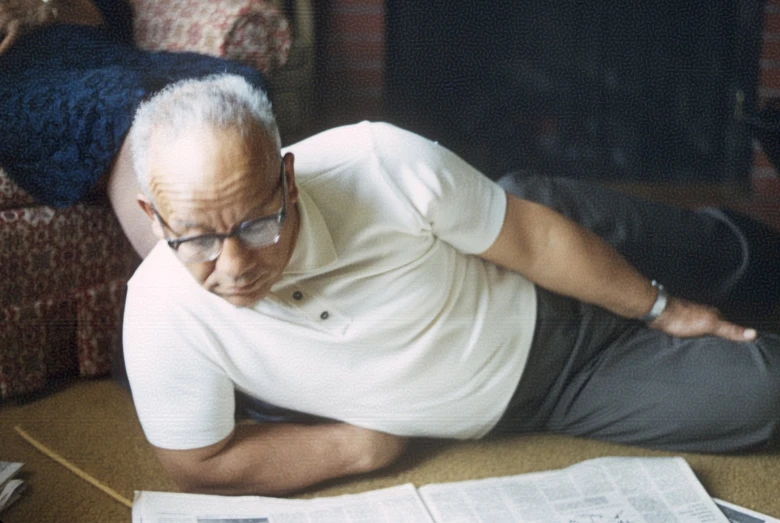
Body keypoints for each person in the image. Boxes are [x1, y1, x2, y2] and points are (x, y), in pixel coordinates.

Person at [122, 73, 780, 497]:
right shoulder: (159, 314)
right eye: (199, 240)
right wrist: (355, 447)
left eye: (257, 222)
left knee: (731, 258)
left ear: (288, 181)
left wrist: (663, 306)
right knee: (764, 393)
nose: (234, 265)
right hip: (561, 387)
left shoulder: (377, 159)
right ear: (155, 220)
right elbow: (199, 460)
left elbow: (535, 240)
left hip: (539, 251)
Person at [0, 0, 267, 257]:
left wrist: (46, 6)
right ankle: (201, 287)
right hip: (17, 81)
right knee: (133, 113)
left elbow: (110, 14)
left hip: (96, 53)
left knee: (237, 86)